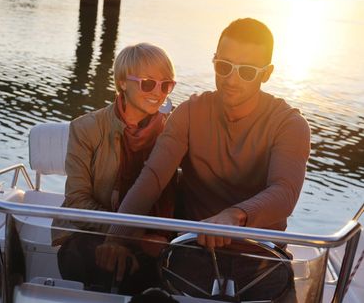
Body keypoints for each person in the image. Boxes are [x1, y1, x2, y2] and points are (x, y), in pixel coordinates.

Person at [98, 18, 310, 301]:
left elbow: (285, 191)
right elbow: (152, 179)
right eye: (223, 66)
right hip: (193, 251)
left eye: (246, 72)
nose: (231, 79)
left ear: (267, 73)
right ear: (214, 60)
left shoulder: (290, 124)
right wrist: (115, 237)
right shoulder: (188, 113)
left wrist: (234, 216)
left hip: (261, 258)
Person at [51, 42, 177, 294]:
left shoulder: (175, 131)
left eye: (166, 85)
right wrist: (131, 235)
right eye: (148, 83)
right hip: (89, 231)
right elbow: (77, 202)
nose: (159, 92)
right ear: (122, 82)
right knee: (106, 260)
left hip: (154, 237)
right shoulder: (86, 128)